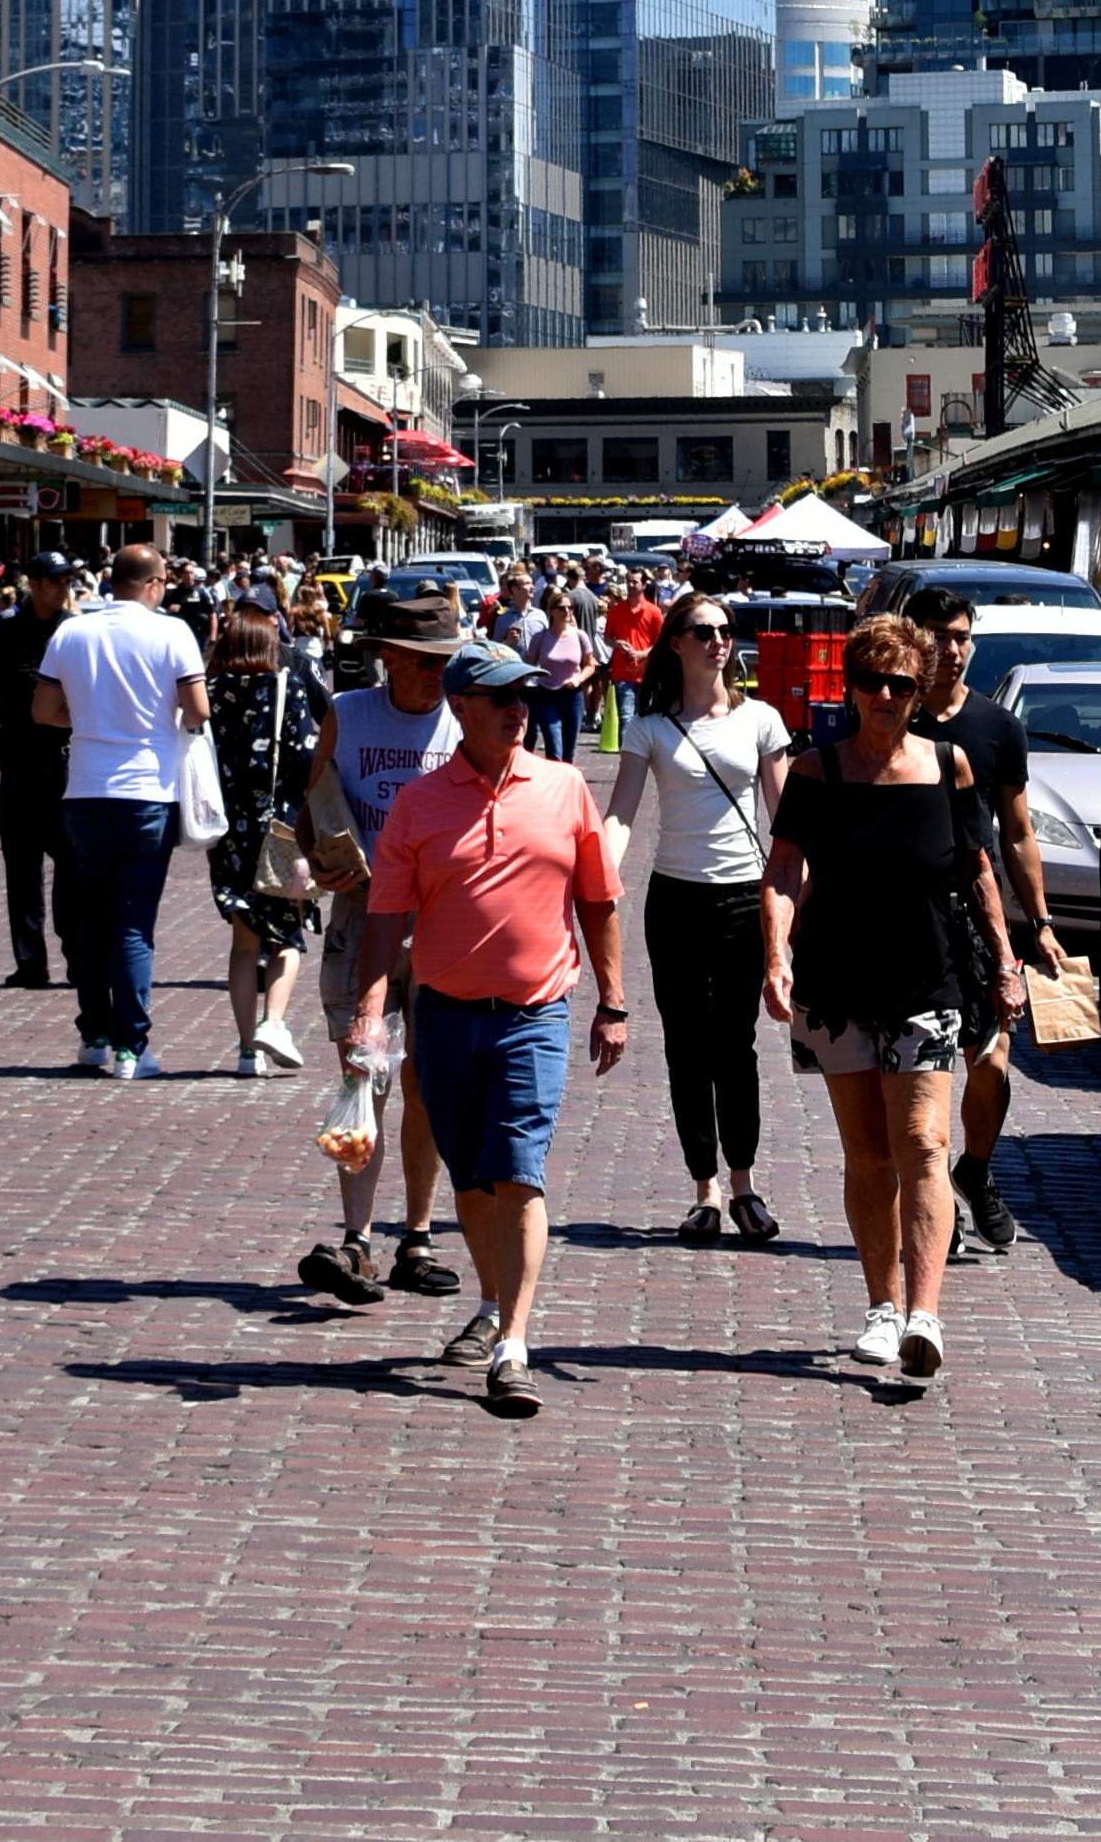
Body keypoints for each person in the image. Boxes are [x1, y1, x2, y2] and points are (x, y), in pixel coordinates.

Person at [351, 639, 628, 1418]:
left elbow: (597, 900)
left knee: (517, 1170)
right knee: (470, 1178)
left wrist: (612, 1000)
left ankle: (513, 1342)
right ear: (460, 706)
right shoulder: (418, 802)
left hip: (535, 1014)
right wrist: (370, 1010)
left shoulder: (564, 786)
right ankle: (490, 1297)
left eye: (523, 695)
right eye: (501, 696)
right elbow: (385, 916)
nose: (519, 709)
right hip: (443, 1016)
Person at [760, 611, 1021, 1385]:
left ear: (917, 690)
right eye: (870, 680)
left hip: (926, 980)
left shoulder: (948, 766)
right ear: (850, 687)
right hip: (836, 984)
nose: (883, 695)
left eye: (899, 683)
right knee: (869, 1152)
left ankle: (923, 1313)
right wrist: (774, 954)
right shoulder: (816, 772)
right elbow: (783, 871)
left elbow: (977, 868)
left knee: (924, 1142)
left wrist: (1005, 959)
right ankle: (880, 1305)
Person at [297, 586, 467, 1313]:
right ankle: (356, 1237)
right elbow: (313, 805)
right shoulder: (349, 713)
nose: (438, 673)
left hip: (442, 925)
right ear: (389, 657)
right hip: (362, 918)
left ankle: (417, 1238)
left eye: (445, 660)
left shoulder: (467, 718)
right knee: (362, 1075)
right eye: (425, 660)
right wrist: (321, 858)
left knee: (426, 1082)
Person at [605, 592, 791, 1244]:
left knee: (735, 1044)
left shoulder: (760, 719)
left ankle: (743, 1184)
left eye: (725, 629)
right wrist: (599, 877)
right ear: (676, 642)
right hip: (675, 899)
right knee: (685, 1045)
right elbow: (621, 813)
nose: (718, 640)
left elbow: (786, 821)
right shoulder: (650, 728)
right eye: (703, 630)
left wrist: (795, 911)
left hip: (743, 897)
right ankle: (704, 1189)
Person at [907, 584, 1068, 1253]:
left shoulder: (998, 726)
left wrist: (1041, 921)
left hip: (977, 915)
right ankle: (933, 1197)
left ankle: (974, 1168)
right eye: (938, 636)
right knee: (920, 1072)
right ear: (912, 637)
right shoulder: (891, 712)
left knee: (993, 1062)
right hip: (908, 917)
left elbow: (1018, 831)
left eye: (961, 637)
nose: (951, 649)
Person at [33, 545, 210, 1077]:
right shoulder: (172, 632)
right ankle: (131, 1048)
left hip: (86, 788)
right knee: (133, 925)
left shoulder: (72, 632)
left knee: (91, 919)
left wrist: (92, 718)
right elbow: (197, 710)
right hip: (148, 791)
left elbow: (43, 711)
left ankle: (94, 1035)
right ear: (154, 584)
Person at [203, 600, 326, 1076]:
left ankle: (245, 1052)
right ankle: (273, 1022)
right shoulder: (285, 685)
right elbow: (305, 756)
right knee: (288, 934)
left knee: (244, 943)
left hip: (228, 831)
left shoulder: (212, 691)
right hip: (280, 829)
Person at [0, 550, 80, 989]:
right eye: (56, 580)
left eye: (68, 580)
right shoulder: (7, 633)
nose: (64, 588)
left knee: (72, 864)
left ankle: (77, 954)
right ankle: (30, 962)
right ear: (34, 585)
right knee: (21, 868)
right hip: (19, 767)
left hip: (65, 765)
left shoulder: (76, 632)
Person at [525, 587, 594, 761]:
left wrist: (578, 679)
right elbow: (528, 665)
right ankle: (555, 777)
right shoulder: (540, 638)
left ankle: (567, 778)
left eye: (570, 608)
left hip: (573, 697)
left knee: (568, 751)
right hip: (546, 696)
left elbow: (590, 665)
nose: (567, 611)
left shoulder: (580, 636)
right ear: (551, 611)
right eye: (562, 608)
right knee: (554, 747)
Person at [601, 576, 664, 728]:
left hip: (646, 674)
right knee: (626, 718)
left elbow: (660, 642)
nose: (631, 585)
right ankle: (626, 745)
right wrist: (617, 643)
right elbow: (607, 638)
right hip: (622, 674)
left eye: (635, 582)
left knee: (645, 718)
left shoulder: (654, 612)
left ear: (644, 585)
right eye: (628, 581)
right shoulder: (616, 611)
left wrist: (642, 654)